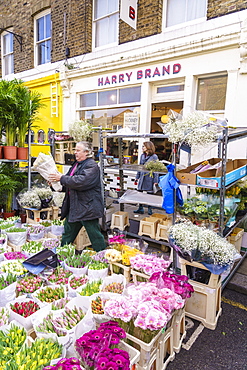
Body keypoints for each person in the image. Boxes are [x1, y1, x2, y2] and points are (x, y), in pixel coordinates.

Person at [48, 141, 106, 252]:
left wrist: (61, 178)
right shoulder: (77, 164)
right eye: (75, 150)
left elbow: (81, 182)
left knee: (95, 235)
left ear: (87, 152)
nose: (75, 152)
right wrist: (56, 184)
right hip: (75, 206)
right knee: (68, 233)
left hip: (88, 208)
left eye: (78, 150)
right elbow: (70, 183)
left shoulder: (92, 166)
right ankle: (62, 254)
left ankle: (103, 257)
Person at [134, 141, 159, 215]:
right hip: (142, 177)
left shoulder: (154, 157)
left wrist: (156, 180)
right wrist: (137, 177)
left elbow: (156, 169)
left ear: (148, 147)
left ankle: (149, 209)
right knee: (140, 193)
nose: (142, 148)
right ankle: (140, 208)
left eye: (144, 146)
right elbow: (140, 167)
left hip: (150, 178)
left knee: (149, 194)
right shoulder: (142, 156)